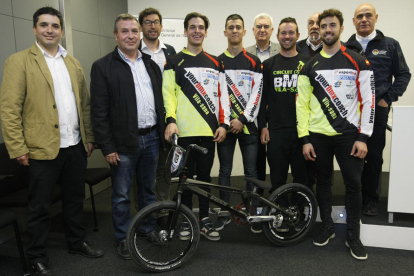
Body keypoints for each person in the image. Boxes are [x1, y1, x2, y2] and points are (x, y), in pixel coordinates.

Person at [0, 6, 103, 275]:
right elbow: (9, 109)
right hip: (40, 148)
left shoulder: (72, 62)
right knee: (40, 206)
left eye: (55, 26)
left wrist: (89, 137)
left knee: (73, 199)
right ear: (34, 29)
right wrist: (17, 147)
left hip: (75, 145)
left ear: (60, 30)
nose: (50, 30)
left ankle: (76, 241)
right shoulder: (19, 61)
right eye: (44, 25)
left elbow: (85, 104)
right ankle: (36, 256)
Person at [296, 9, 375, 260]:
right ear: (318, 29)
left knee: (354, 185)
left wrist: (363, 137)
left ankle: (353, 234)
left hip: (349, 135)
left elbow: (369, 101)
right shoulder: (309, 66)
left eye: (332, 25)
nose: (328, 30)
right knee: (324, 183)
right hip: (318, 135)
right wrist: (305, 139)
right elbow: (302, 105)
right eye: (324, 26)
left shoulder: (357, 60)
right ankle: (327, 227)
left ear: (341, 28)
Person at [90, 13, 166, 260]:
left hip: (152, 138)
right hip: (123, 144)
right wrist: (107, 146)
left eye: (134, 31)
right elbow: (98, 111)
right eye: (125, 31)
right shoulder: (102, 67)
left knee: (148, 190)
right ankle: (123, 238)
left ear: (140, 33)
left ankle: (147, 228)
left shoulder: (151, 64)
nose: (130, 35)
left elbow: (160, 102)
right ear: (116, 35)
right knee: (121, 194)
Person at [163, 12, 230, 241]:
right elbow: (168, 95)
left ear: (206, 32)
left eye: (201, 27)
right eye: (192, 27)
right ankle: (187, 219)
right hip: (182, 132)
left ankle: (203, 220)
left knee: (203, 179)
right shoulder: (173, 61)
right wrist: (170, 120)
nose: (197, 31)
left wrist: (224, 124)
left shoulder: (216, 62)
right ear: (185, 31)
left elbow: (224, 97)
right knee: (184, 179)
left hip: (209, 132)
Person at [346, 3, 411, 216]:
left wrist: (387, 99)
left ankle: (370, 199)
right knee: (352, 154)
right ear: (353, 21)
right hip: (351, 112)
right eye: (359, 16)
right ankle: (353, 196)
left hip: (378, 111)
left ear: (376, 18)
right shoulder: (346, 46)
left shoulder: (390, 45)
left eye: (368, 15)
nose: (364, 19)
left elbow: (403, 74)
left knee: (373, 155)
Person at [259, 17, 310, 232]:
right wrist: (263, 126)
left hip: (302, 133)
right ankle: (279, 215)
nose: (287, 36)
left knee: (302, 177)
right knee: (278, 178)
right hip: (277, 132)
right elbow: (262, 100)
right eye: (283, 33)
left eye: (291, 32)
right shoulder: (269, 65)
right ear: (277, 36)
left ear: (298, 36)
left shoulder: (308, 63)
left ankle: (300, 217)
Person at [216, 14, 263, 232]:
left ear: (244, 32)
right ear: (225, 32)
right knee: (224, 171)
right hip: (225, 128)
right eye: (230, 27)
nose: (234, 31)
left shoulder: (254, 61)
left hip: (248, 126)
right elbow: (218, 96)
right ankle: (225, 212)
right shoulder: (217, 62)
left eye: (238, 27)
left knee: (251, 172)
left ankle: (251, 211)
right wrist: (227, 123)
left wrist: (242, 119)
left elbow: (257, 95)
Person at [128, 7, 176, 208]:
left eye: (156, 22)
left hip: (167, 120)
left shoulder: (170, 51)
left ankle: (162, 210)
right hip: (144, 121)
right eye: (147, 22)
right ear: (140, 26)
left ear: (161, 26)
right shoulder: (134, 51)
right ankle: (143, 215)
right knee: (142, 174)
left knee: (165, 169)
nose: (152, 26)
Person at [246, 13, 280, 183]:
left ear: (272, 30)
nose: (262, 29)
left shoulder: (282, 51)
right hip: (253, 114)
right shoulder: (246, 54)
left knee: (276, 159)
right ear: (253, 30)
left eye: (266, 26)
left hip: (275, 114)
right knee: (256, 158)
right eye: (259, 26)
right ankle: (258, 196)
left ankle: (277, 193)